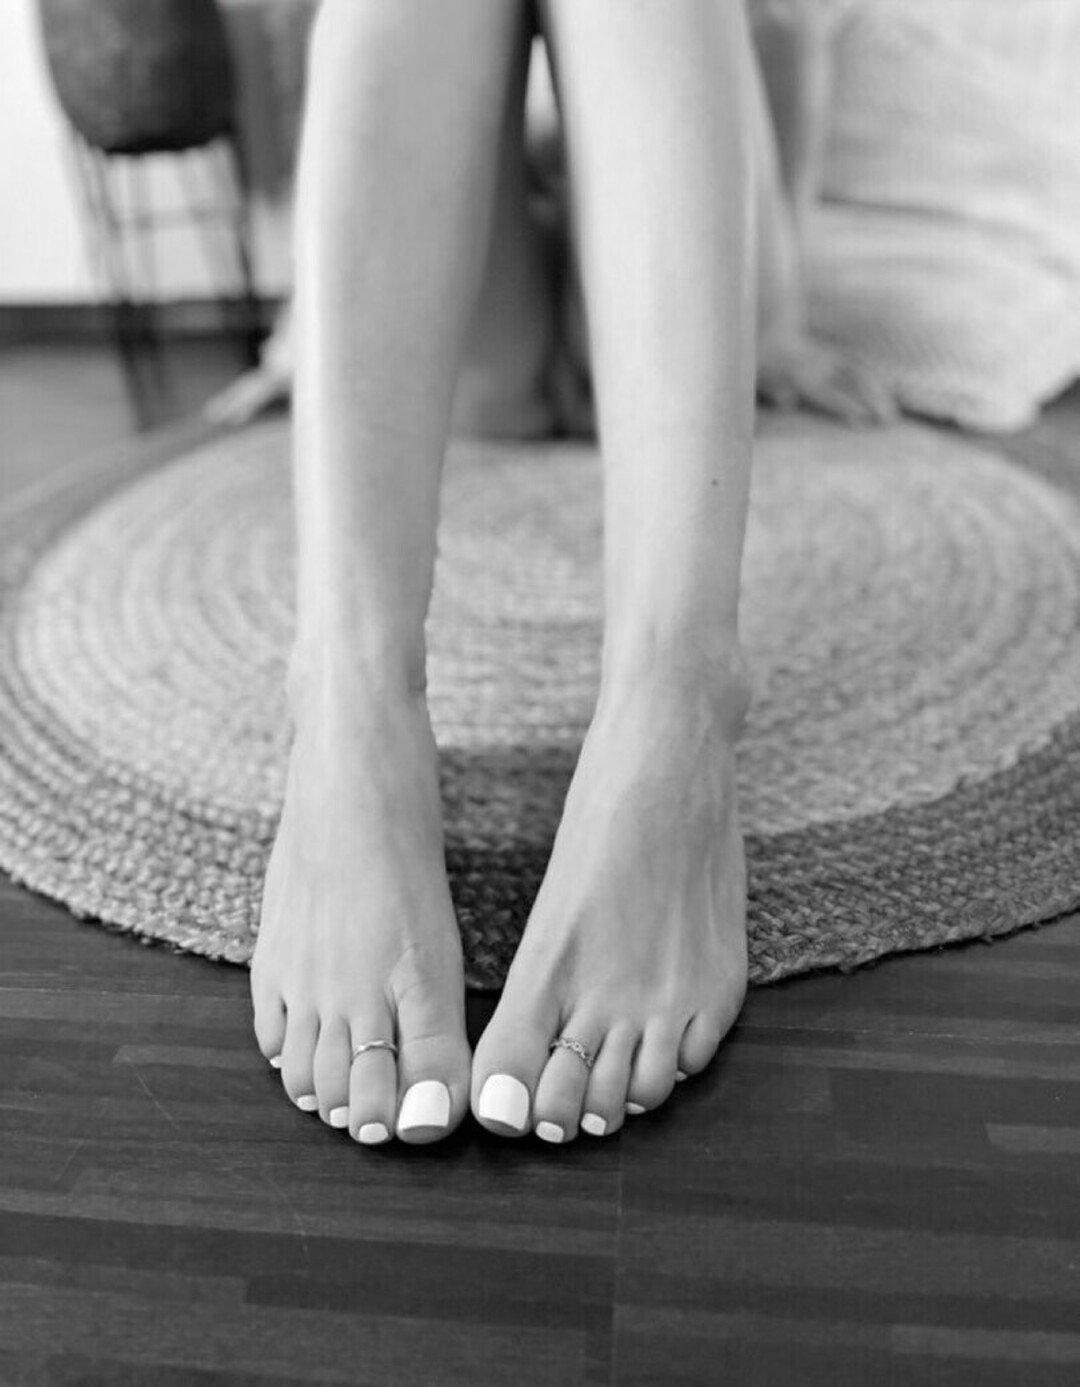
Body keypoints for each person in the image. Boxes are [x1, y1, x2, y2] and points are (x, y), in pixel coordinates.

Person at [247, 0, 857, 1150]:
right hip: (502, 275)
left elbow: (789, 46)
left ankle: (677, 690)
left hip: (685, 260)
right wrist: (314, 332)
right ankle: (348, 700)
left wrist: (776, 318)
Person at [205, 0, 895, 434]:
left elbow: (787, 32)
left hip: (657, 203)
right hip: (503, 203)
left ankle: (676, 632)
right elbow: (349, 91)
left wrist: (775, 321)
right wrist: (313, 328)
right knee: (485, 403)